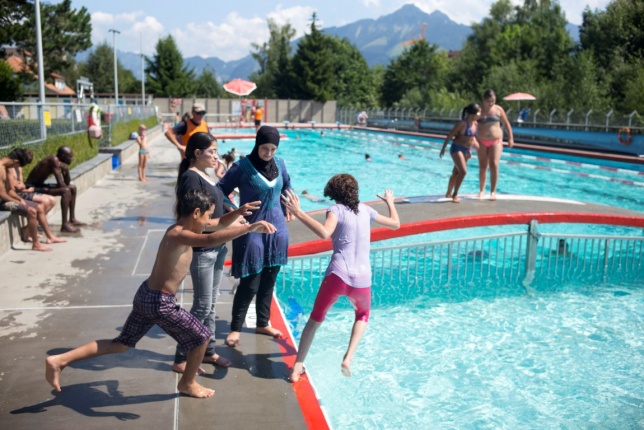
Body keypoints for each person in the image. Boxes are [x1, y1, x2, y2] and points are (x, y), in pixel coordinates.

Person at [45, 189, 276, 398]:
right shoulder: (180, 234)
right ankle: (188, 383)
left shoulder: (185, 227)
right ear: (196, 213)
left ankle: (59, 360)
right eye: (207, 216)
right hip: (160, 302)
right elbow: (209, 238)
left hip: (146, 295)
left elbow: (216, 225)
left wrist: (237, 213)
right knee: (202, 337)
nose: (209, 221)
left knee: (121, 344)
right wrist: (248, 228)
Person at [281, 175, 400, 382]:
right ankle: (348, 357)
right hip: (363, 279)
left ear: (333, 193)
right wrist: (390, 202)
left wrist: (298, 212)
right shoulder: (366, 210)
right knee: (362, 315)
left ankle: (296, 368)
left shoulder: (335, 210)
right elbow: (396, 224)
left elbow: (325, 233)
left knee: (315, 320)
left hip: (338, 276)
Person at [172, 132, 264, 373]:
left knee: (211, 305)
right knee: (202, 306)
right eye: (211, 151)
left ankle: (208, 351)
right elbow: (197, 223)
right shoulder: (191, 179)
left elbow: (220, 204)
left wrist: (236, 213)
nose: (216, 155)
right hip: (203, 249)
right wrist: (231, 224)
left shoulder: (205, 176)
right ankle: (181, 358)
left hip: (217, 247)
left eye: (215, 150)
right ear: (197, 153)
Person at [217, 125, 293, 347]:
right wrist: (235, 211)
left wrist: (287, 205)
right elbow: (219, 190)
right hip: (251, 229)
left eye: (272, 149)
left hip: (277, 229)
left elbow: (287, 186)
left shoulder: (280, 164)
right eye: (264, 148)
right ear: (257, 144)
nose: (268, 153)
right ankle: (235, 328)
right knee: (250, 281)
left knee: (269, 278)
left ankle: (262, 322)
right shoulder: (242, 167)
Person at [0, 148, 65, 251]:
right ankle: (36, 244)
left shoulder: (4, 167)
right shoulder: (1, 169)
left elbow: (9, 190)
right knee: (32, 211)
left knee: (39, 207)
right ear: (16, 162)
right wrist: (18, 201)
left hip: (9, 198)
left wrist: (19, 198)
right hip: (3, 203)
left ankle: (50, 237)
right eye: (17, 166)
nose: (15, 168)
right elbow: (2, 194)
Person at [25, 146, 85, 233]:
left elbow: (67, 183)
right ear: (63, 156)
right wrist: (65, 171)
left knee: (72, 187)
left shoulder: (59, 162)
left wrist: (66, 170)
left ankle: (72, 219)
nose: (72, 159)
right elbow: (61, 185)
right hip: (32, 187)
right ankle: (64, 225)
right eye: (70, 157)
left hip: (39, 185)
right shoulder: (53, 160)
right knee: (66, 191)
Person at [477, 89, 514, 200]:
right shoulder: (479, 111)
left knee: (494, 164)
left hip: (496, 140)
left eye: (493, 101)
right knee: (483, 166)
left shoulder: (498, 110)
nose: (491, 103)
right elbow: (472, 125)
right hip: (481, 141)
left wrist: (510, 138)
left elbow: (506, 124)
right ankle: (482, 190)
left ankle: (493, 191)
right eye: (489, 101)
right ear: (483, 100)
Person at [440, 103, 481, 203]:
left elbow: (472, 138)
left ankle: (448, 192)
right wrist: (443, 149)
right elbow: (450, 136)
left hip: (466, 151)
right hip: (457, 148)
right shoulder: (462, 124)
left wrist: (472, 148)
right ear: (473, 114)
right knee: (463, 171)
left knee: (456, 172)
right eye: (479, 112)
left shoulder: (475, 124)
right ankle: (455, 194)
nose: (480, 115)